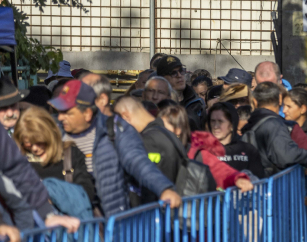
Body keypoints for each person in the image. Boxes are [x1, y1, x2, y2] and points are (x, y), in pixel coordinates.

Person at [52, 80, 181, 215]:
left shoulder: (114, 129)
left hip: (109, 221)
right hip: (67, 223)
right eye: (59, 111)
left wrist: (164, 188)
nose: (60, 117)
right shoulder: (54, 132)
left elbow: (138, 161)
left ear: (87, 113)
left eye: (67, 112)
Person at [14, 106, 97, 214]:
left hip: (70, 226)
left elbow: (86, 194)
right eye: (28, 143)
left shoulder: (70, 154)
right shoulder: (20, 161)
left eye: (39, 141)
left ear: (49, 134)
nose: (34, 148)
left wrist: (53, 197)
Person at [243, 82, 307, 175]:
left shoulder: (249, 124)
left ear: (254, 101)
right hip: (273, 185)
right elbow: (287, 154)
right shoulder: (274, 124)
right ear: (280, 100)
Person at [157, 105, 253, 192]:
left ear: (178, 130)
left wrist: (237, 178)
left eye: (163, 126)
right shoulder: (149, 143)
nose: (158, 130)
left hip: (187, 208)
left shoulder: (196, 151)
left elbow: (220, 170)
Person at [205, 102, 266, 179]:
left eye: (220, 121)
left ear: (232, 125)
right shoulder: (204, 150)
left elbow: (258, 181)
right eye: (213, 121)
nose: (216, 126)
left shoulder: (248, 150)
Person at [156, 56, 206, 127]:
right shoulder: (156, 104)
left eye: (181, 70)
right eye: (173, 73)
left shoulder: (198, 103)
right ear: (162, 78)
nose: (179, 75)